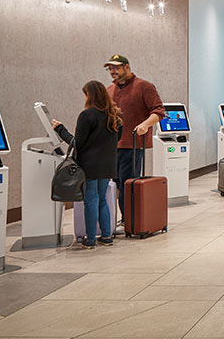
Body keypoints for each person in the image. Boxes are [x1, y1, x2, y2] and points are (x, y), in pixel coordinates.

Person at [52, 80, 121, 249]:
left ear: (89, 95)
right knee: (102, 199)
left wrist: (60, 129)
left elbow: (78, 143)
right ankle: (106, 236)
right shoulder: (116, 116)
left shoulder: (87, 115)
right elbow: (116, 140)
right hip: (108, 165)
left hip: (89, 165)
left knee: (90, 200)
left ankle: (90, 240)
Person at [104, 54, 164, 223]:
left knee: (128, 185)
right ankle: (123, 218)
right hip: (111, 147)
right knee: (115, 184)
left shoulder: (144, 86)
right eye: (110, 68)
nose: (112, 71)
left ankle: (130, 219)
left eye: (116, 67)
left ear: (127, 67)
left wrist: (145, 124)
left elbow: (159, 111)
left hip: (132, 145)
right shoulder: (109, 90)